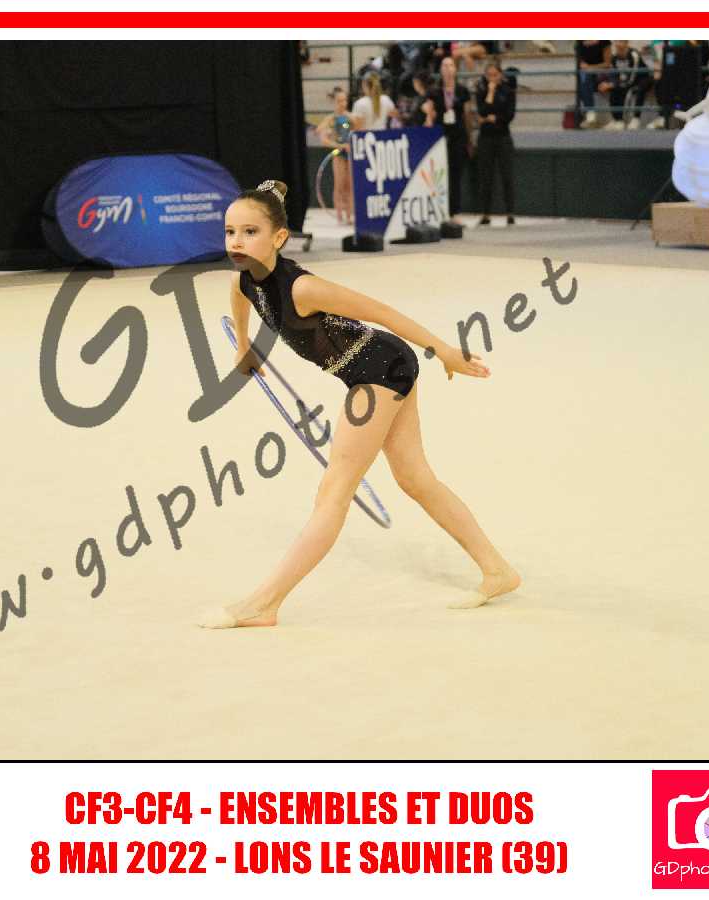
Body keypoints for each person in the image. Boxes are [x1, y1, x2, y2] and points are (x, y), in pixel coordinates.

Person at [204, 180, 520, 628]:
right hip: (372, 370)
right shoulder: (244, 278)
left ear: (279, 237)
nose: (236, 242)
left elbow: (382, 312)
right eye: (230, 232)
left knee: (334, 490)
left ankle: (264, 604)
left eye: (250, 232)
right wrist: (243, 346)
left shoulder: (303, 288)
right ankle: (497, 570)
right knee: (415, 478)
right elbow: (240, 296)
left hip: (380, 369)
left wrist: (445, 351)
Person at [424, 56, 474, 225]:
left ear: (455, 69)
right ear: (440, 70)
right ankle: (439, 210)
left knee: (455, 174)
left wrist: (469, 138)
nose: (447, 68)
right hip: (440, 136)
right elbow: (429, 113)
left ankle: (454, 211)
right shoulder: (434, 92)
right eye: (444, 65)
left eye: (450, 65)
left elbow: (467, 115)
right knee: (439, 174)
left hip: (458, 135)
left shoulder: (462, 91)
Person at [474, 59, 516, 226]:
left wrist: (495, 118)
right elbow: (482, 111)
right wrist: (490, 93)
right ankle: (486, 213)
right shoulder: (481, 90)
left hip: (503, 136)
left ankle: (510, 212)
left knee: (507, 175)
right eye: (489, 75)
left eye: (495, 75)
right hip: (486, 138)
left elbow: (509, 114)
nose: (492, 78)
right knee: (486, 176)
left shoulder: (508, 91)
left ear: (500, 75)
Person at [316, 87, 355, 224]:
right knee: (340, 185)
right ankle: (339, 215)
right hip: (338, 154)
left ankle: (349, 215)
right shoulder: (331, 119)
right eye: (339, 101)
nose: (343, 103)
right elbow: (322, 137)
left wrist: (350, 144)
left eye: (345, 100)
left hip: (350, 153)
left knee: (350, 185)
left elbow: (358, 132)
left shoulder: (351, 117)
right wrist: (337, 143)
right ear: (334, 102)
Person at [599, 40, 653, 130]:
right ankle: (617, 120)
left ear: (626, 43)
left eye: (621, 42)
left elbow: (632, 77)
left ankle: (635, 119)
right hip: (625, 80)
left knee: (634, 90)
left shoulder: (634, 55)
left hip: (641, 79)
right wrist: (608, 84)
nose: (618, 45)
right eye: (616, 42)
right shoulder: (614, 57)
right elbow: (614, 75)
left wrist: (615, 84)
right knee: (614, 91)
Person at [575, 39, 612, 128]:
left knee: (585, 76)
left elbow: (607, 64)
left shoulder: (604, 40)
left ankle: (590, 112)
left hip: (602, 73)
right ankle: (590, 113)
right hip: (587, 74)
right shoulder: (580, 40)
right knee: (582, 77)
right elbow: (580, 61)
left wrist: (591, 67)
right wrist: (584, 66)